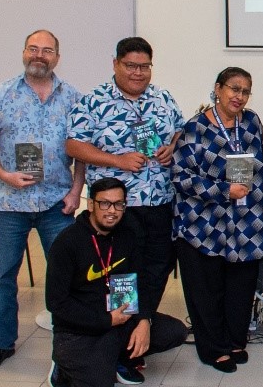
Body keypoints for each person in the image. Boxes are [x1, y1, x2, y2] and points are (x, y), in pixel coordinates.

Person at [0, 29, 85, 372]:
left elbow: (82, 150)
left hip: (56, 204)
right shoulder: (2, 94)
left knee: (66, 277)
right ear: (23, 53)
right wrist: (3, 174)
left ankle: (69, 345)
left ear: (57, 58)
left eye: (47, 50)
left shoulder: (73, 98)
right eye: (34, 48)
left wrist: (77, 191)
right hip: (6, 204)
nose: (39, 55)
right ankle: (0, 344)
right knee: (1, 277)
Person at [45, 177, 187, 387]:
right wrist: (106, 320)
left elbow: (139, 281)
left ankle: (116, 357)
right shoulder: (67, 243)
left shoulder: (127, 236)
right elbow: (56, 304)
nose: (112, 211)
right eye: (105, 204)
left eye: (119, 204)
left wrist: (143, 320)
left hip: (120, 320)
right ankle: (64, 361)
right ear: (91, 204)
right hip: (80, 329)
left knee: (175, 332)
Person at [67, 37, 184, 313]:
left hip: (159, 201)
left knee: (159, 264)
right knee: (121, 268)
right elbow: (74, 145)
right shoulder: (94, 101)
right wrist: (116, 160)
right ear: (116, 64)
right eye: (131, 65)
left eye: (145, 66)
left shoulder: (163, 98)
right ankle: (121, 326)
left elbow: (180, 130)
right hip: (117, 207)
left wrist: (172, 147)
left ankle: (143, 320)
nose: (138, 73)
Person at [171, 67, 263, 373]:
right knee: (206, 287)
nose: (239, 96)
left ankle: (236, 339)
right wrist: (224, 190)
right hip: (203, 222)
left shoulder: (251, 122)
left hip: (246, 221)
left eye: (245, 91)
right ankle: (213, 347)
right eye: (234, 89)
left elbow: (260, 164)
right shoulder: (195, 128)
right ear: (218, 88)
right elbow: (180, 176)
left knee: (241, 286)